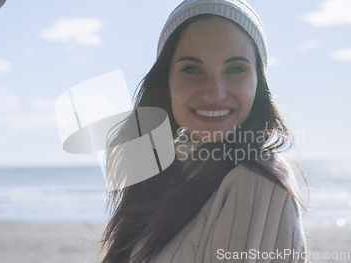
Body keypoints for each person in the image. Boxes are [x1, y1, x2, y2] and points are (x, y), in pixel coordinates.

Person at [100, 0, 307, 262]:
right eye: (192, 69)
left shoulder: (255, 182)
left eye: (235, 69)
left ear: (258, 84)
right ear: (167, 82)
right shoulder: (167, 175)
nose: (214, 93)